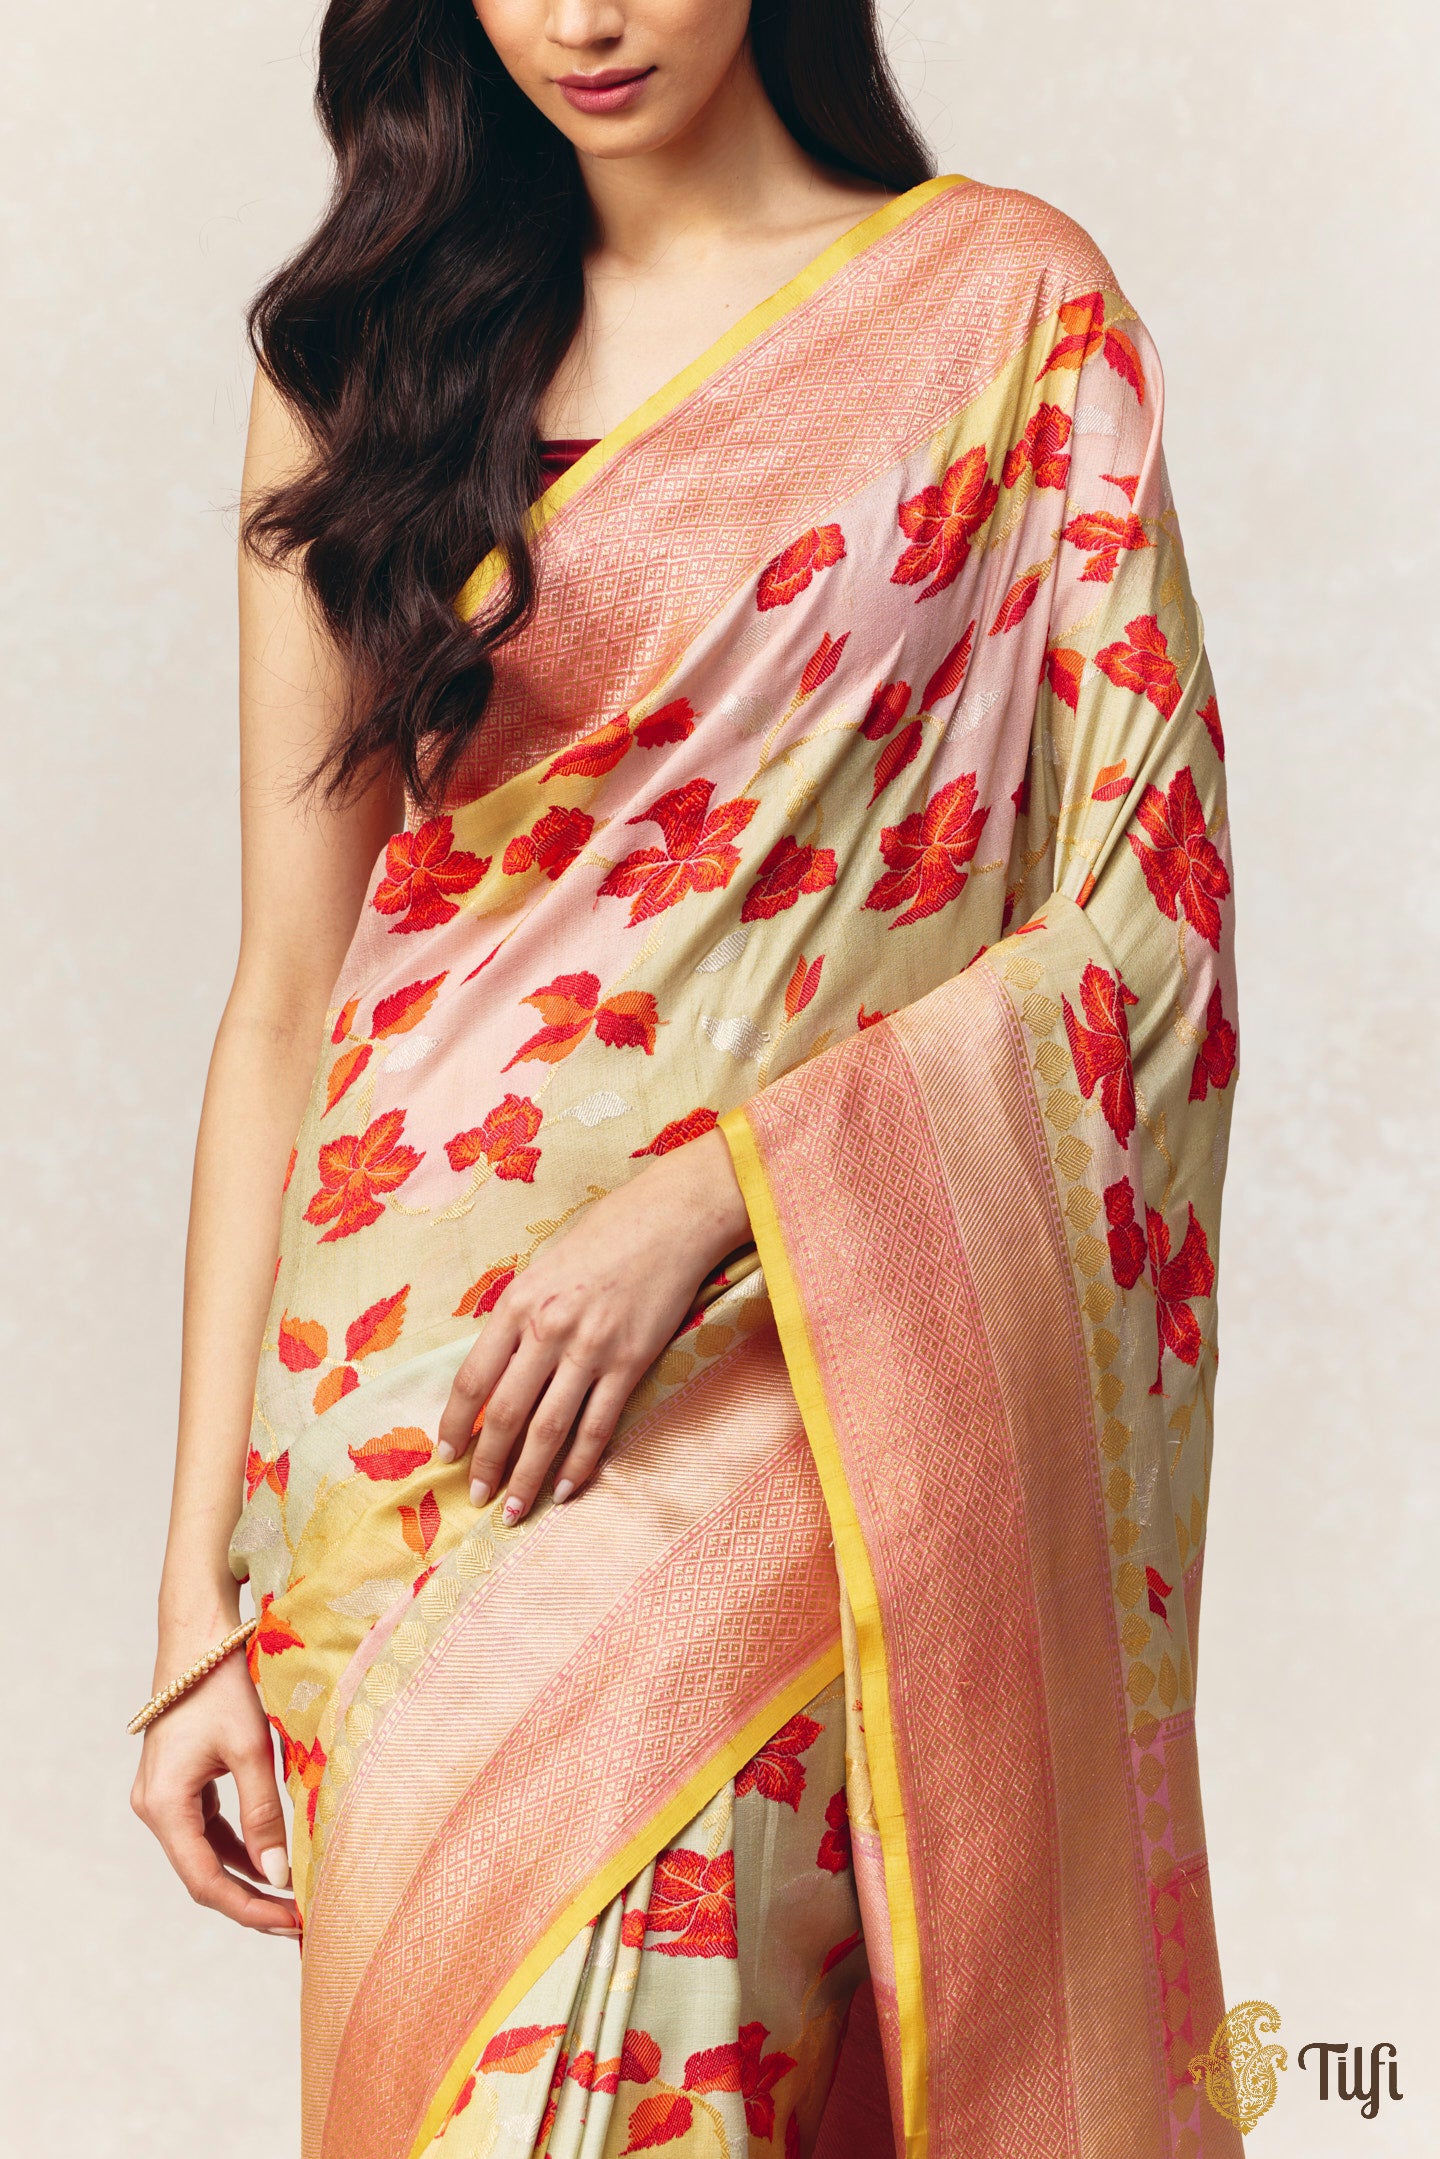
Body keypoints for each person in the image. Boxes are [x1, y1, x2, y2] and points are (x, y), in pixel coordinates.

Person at [129, 4, 1244, 2154]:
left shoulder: (1001, 316)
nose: (582, 18)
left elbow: (1147, 912)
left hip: (787, 1382)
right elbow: (284, 995)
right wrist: (196, 1603)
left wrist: (723, 1193)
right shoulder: (355, 366)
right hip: (392, 1442)